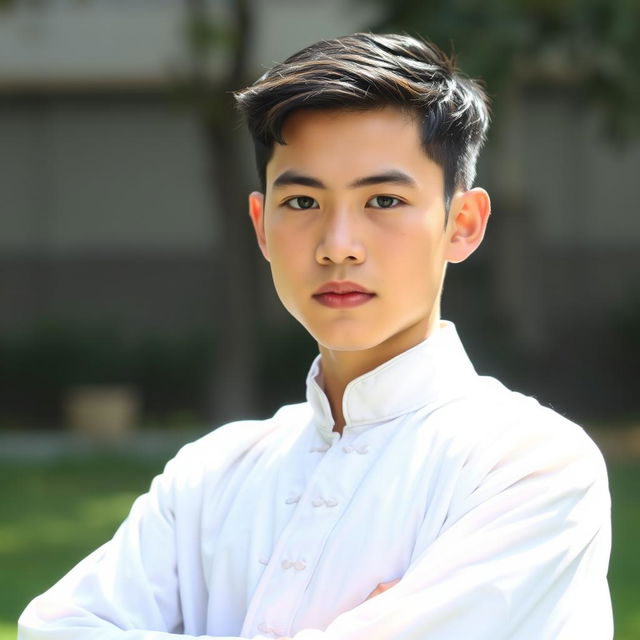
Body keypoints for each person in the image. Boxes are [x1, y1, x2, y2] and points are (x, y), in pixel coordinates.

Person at [18, 33, 612, 639]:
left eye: (383, 199)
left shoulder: (529, 466)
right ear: (262, 226)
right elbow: (52, 629)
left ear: (462, 224)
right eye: (302, 202)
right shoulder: (212, 474)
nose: (337, 246)